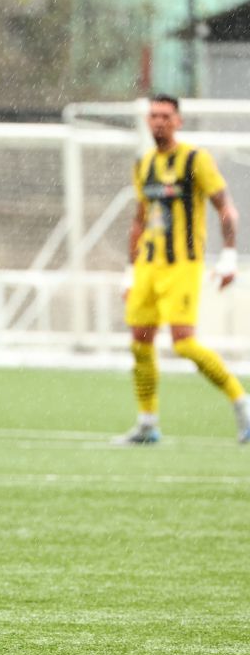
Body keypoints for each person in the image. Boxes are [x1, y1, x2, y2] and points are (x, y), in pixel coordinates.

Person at [116, 94, 249, 445]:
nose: (158, 121)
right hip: (147, 267)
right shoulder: (143, 164)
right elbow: (139, 220)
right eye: (154, 115)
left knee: (185, 343)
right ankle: (147, 422)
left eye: (166, 116)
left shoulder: (195, 159)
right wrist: (129, 271)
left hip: (183, 266)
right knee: (140, 344)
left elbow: (226, 209)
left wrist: (228, 257)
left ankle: (242, 402)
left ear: (178, 121)